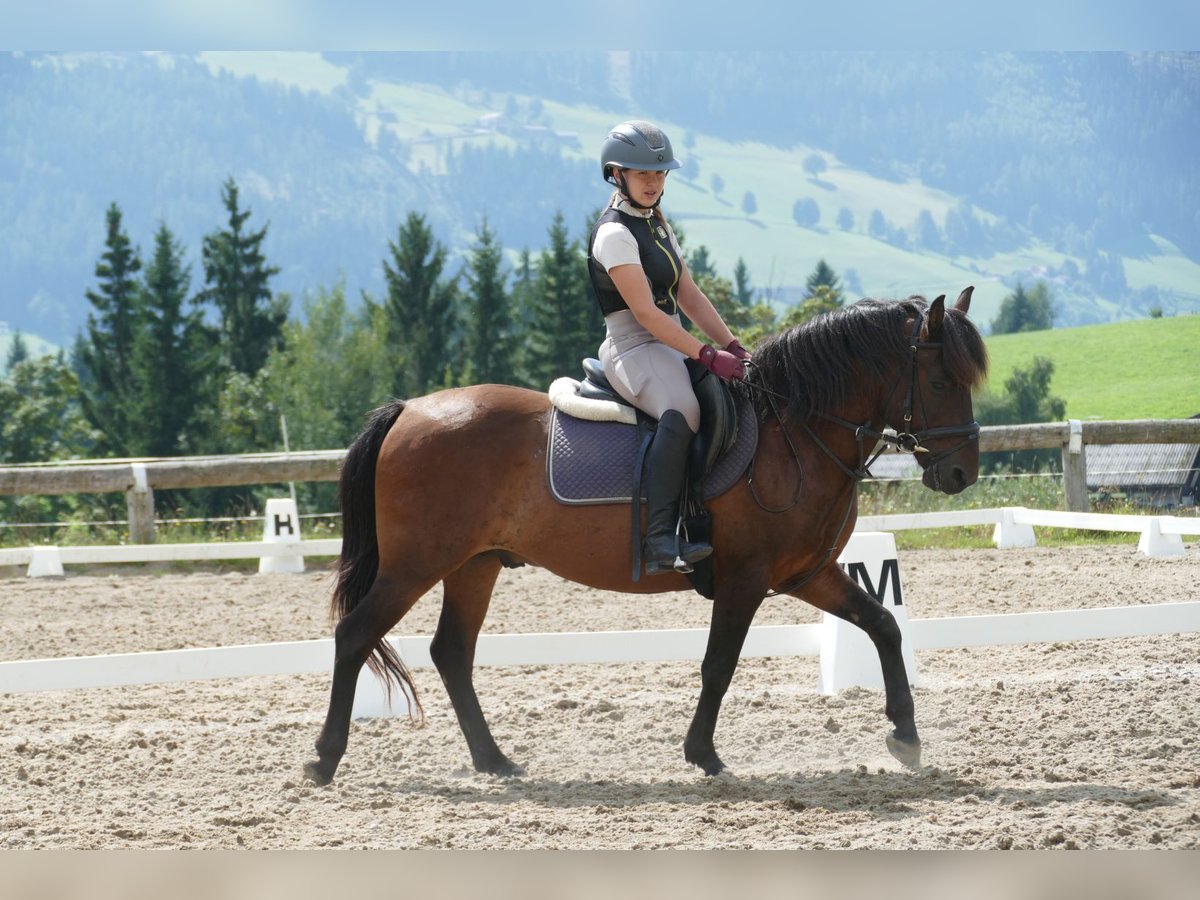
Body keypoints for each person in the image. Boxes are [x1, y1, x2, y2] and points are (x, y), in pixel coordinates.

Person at [586, 119, 751, 576]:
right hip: (632, 344)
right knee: (683, 409)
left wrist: (732, 345)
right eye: (643, 174)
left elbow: (689, 295)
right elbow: (646, 314)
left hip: (669, 339)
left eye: (659, 174)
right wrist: (704, 355)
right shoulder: (614, 233)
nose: (653, 182)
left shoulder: (657, 224)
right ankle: (660, 537)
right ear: (617, 174)